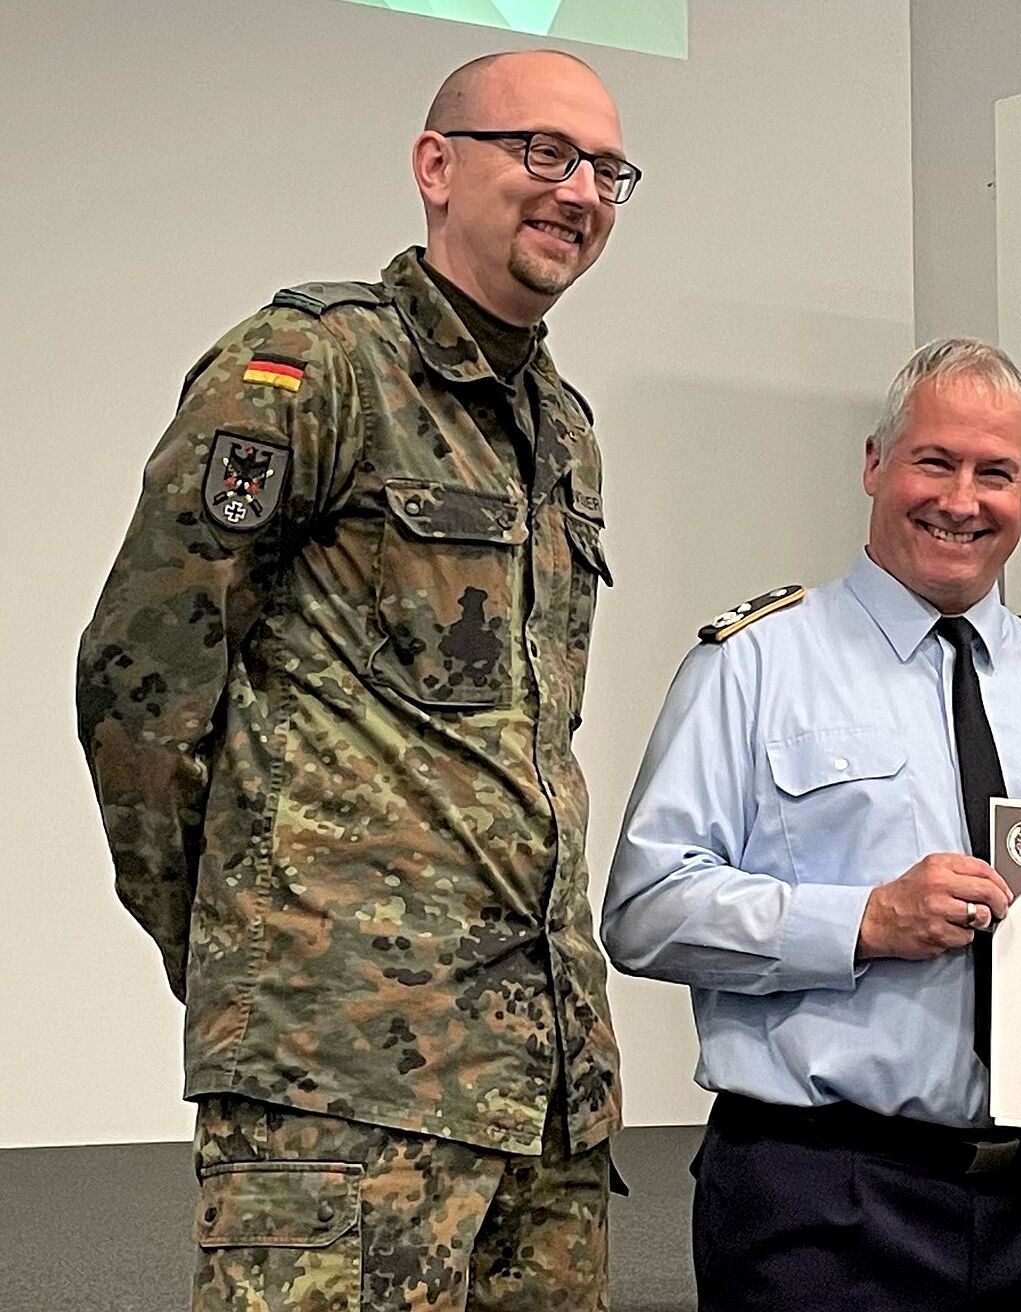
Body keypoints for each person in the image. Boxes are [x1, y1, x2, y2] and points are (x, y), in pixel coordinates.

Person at [75, 49, 638, 1310]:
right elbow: (140, 683)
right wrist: (248, 940)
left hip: (545, 1097)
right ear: (437, 166)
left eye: (606, 169)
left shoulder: (565, 429)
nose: (580, 192)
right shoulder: (310, 366)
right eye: (543, 152)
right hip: (338, 1089)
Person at [604, 338, 1021, 1311]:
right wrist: (863, 919)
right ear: (874, 464)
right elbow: (644, 908)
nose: (962, 499)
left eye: (996, 473)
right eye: (935, 461)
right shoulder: (755, 665)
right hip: (818, 1193)